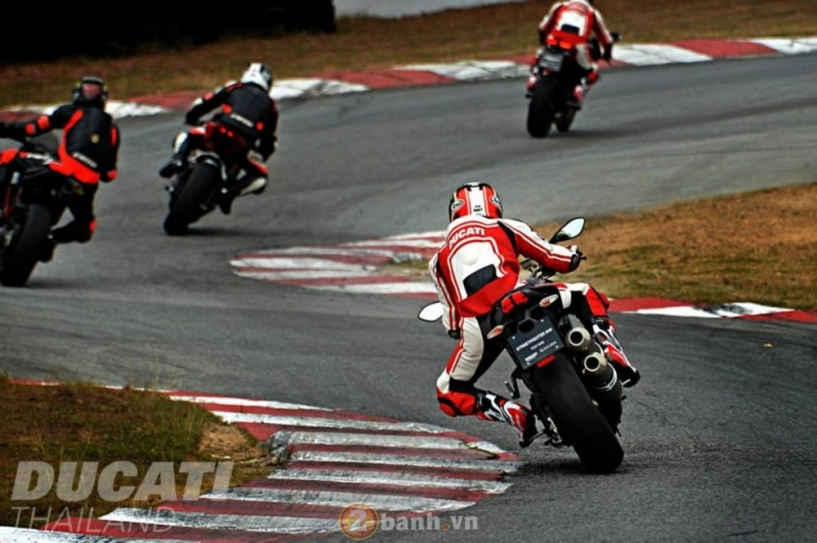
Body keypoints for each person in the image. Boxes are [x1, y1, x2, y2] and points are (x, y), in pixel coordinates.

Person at [429, 182, 640, 446]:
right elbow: (553, 257)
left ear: (454, 213)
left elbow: (453, 322)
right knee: (585, 292)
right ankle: (610, 348)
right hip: (519, 295)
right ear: (495, 207)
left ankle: (512, 412)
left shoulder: (438, 261)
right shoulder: (504, 226)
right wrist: (572, 256)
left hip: (480, 326)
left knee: (448, 391)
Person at [0, 76, 120, 262]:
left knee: (7, 156)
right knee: (86, 226)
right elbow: (110, 174)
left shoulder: (72, 112)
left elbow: (35, 127)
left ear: (77, 93)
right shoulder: (112, 131)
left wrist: (7, 129)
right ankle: (52, 238)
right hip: (85, 184)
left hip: (59, 168)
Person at [158, 62, 279, 215]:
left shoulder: (234, 87)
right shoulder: (271, 106)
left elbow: (206, 102)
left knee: (188, 135)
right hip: (242, 143)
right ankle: (228, 193)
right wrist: (261, 155)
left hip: (219, 130)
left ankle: (178, 159)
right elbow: (269, 140)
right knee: (260, 176)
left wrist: (192, 117)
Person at [525, 0, 615, 106]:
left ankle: (534, 77)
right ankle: (579, 88)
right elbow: (606, 40)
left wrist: (543, 41)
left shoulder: (559, 6)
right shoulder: (593, 13)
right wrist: (607, 55)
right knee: (592, 70)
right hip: (576, 44)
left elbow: (543, 27)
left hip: (554, 40)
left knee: (538, 57)